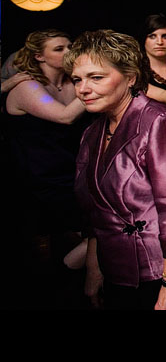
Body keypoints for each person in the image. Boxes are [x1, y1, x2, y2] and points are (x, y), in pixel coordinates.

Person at [65, 30, 166, 310]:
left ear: (131, 77)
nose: (82, 89)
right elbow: (95, 211)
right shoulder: (92, 132)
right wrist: (94, 267)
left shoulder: (160, 123)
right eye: (77, 79)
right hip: (118, 268)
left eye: (96, 77)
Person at [3, 30, 91, 307]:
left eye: (70, 46)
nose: (68, 52)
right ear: (39, 56)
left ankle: (74, 281)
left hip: (71, 172)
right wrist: (95, 85)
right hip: (38, 180)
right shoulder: (26, 86)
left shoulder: (72, 83)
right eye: (59, 48)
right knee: (101, 230)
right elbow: (65, 117)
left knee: (99, 231)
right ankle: (60, 279)